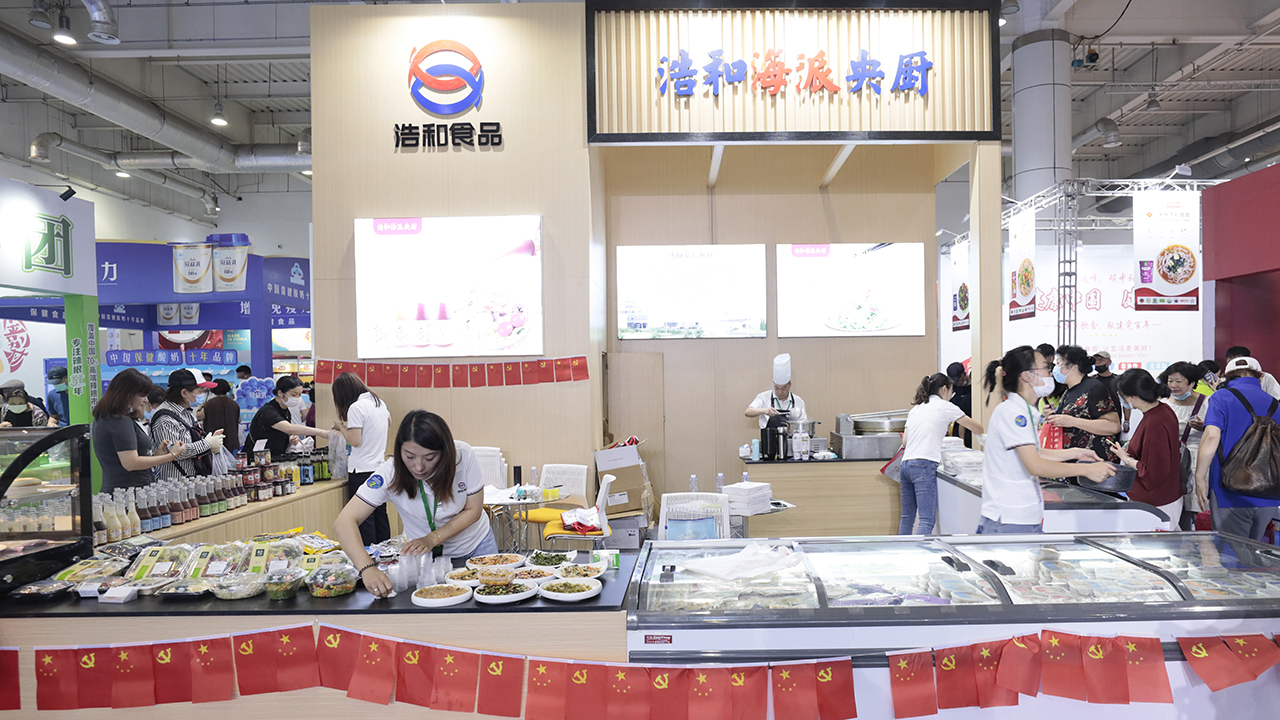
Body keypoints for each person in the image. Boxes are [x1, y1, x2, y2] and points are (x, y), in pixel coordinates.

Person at [332, 410, 499, 598]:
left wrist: (432, 538)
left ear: (445, 452)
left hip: (475, 546)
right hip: (425, 558)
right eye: (410, 456)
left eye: (429, 458)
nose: (419, 467)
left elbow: (473, 510)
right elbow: (344, 522)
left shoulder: (463, 456)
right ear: (399, 450)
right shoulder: (389, 473)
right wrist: (367, 568)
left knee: (489, 601)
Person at [978, 346, 1115, 533]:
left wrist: (1074, 453)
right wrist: (1087, 469)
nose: (1051, 372)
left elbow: (1034, 453)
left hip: (1020, 515)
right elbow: (1035, 465)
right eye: (1045, 367)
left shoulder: (1024, 410)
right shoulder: (1014, 413)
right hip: (1010, 517)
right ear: (1027, 376)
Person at [1194, 356, 1280, 541]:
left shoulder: (1221, 397)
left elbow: (1211, 437)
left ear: (1227, 377)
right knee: (1254, 548)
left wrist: (1199, 477)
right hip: (1270, 491)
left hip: (1230, 490)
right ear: (1260, 376)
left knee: (1231, 550)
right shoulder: (1275, 403)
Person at [899, 373, 984, 535]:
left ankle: (902, 549)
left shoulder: (916, 409)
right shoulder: (945, 406)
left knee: (907, 518)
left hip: (905, 465)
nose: (951, 396)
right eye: (951, 391)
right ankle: (920, 551)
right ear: (944, 389)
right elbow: (978, 428)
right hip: (924, 464)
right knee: (926, 519)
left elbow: (905, 441)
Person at [1108, 369, 1183, 530]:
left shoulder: (1154, 422)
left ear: (1133, 397)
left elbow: (1152, 472)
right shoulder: (1162, 410)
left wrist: (1126, 458)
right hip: (1167, 494)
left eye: (1122, 396)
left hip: (1156, 501)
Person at [92, 369, 184, 493]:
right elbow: (131, 463)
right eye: (142, 395)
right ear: (127, 394)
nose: (146, 400)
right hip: (130, 493)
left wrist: (158, 454)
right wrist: (171, 456)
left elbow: (131, 460)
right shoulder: (120, 421)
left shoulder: (105, 418)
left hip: (121, 490)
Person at [331, 372, 392, 545]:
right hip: (379, 469)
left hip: (361, 471)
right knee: (380, 515)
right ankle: (386, 554)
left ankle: (368, 557)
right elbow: (389, 421)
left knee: (364, 520)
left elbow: (355, 441)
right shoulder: (378, 402)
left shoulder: (356, 407)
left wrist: (341, 427)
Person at [1045, 344, 1122, 481]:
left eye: (1058, 363)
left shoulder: (1093, 388)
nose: (1055, 367)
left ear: (1072, 366)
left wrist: (1073, 421)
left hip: (1094, 464)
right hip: (1075, 464)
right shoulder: (1069, 391)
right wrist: (1054, 417)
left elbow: (1113, 426)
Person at [151, 368, 225, 483]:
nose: (203, 395)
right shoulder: (165, 419)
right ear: (184, 393)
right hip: (173, 484)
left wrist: (210, 441)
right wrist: (207, 443)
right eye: (200, 391)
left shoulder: (186, 414)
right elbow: (174, 452)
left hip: (192, 480)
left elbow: (192, 442)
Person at [1160, 361, 1210, 530]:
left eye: (1178, 381)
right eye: (1170, 381)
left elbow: (1218, 432)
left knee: (1198, 507)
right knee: (1174, 508)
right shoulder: (1164, 404)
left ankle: (1202, 543)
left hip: (1198, 461)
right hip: (1172, 461)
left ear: (1192, 383)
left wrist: (1206, 426)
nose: (1173, 385)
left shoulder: (1207, 403)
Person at [247, 376, 330, 460]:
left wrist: (290, 439)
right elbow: (288, 428)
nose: (297, 398)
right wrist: (321, 432)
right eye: (294, 394)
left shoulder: (286, 411)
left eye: (299, 395)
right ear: (280, 393)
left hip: (275, 457)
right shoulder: (268, 412)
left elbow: (282, 432)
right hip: (257, 459)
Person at [745, 353, 807, 429]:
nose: (780, 392)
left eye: (783, 388)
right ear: (773, 384)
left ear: (790, 385)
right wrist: (765, 411)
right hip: (769, 436)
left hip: (791, 436)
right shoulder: (764, 397)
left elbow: (803, 424)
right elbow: (748, 412)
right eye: (776, 388)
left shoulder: (798, 401)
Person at [202, 379, 242, 453]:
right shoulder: (234, 403)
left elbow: (200, 417)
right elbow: (239, 420)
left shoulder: (210, 403)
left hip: (214, 441)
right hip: (231, 440)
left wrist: (200, 408)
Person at [946, 361, 974, 447]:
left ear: (964, 374)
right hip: (954, 433)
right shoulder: (951, 390)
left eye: (958, 379)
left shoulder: (974, 390)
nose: (956, 382)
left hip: (970, 431)